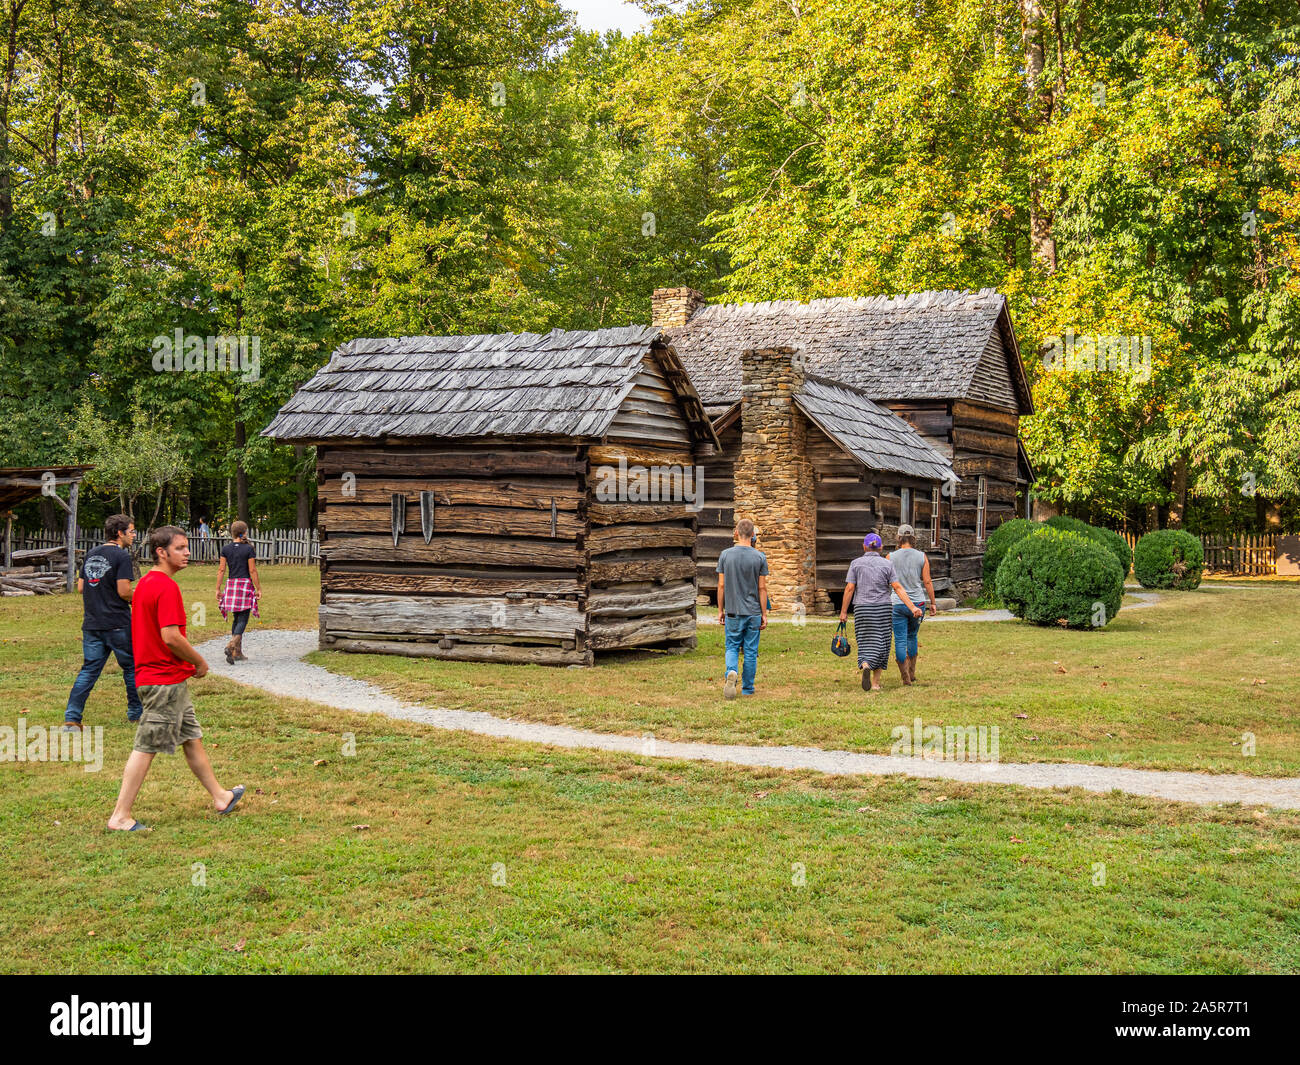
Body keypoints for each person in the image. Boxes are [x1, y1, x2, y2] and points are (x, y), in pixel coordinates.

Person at [107, 526, 244, 832]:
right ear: (161, 552)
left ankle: (220, 797)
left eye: (186, 547)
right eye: (180, 548)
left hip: (162, 677)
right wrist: (199, 660)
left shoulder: (144, 584)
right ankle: (120, 815)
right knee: (146, 745)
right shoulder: (166, 587)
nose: (187, 552)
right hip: (162, 681)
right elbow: (170, 637)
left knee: (191, 739)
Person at [64, 514, 143, 730]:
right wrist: (140, 599)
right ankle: (136, 713)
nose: (134, 535)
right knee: (131, 668)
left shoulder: (91, 554)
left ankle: (72, 718)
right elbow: (124, 590)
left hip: (92, 623)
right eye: (132, 531)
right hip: (117, 622)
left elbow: (81, 587)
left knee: (89, 670)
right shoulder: (121, 556)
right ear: (120, 533)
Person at [839, 532, 922, 693]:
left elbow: (850, 588)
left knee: (864, 639)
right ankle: (875, 683)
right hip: (882, 608)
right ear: (881, 547)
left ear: (864, 546)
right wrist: (912, 607)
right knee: (882, 642)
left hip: (862, 608)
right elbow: (897, 587)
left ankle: (865, 664)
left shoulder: (856, 564)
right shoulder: (887, 564)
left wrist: (843, 612)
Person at [716, 517, 768, 699]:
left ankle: (731, 671)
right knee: (751, 651)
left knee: (731, 646)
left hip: (733, 611)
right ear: (753, 535)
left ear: (736, 533)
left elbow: (721, 586)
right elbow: (762, 587)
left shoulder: (725, 555)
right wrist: (764, 613)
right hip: (753, 611)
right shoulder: (760, 557)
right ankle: (747, 688)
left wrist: (720, 610)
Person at [887, 524, 938, 686]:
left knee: (900, 638)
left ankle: (905, 677)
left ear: (898, 538)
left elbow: (887, 582)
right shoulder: (922, 556)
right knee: (912, 636)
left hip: (897, 603)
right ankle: (912, 673)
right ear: (913, 538)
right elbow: (928, 581)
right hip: (918, 602)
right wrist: (933, 603)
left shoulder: (890, 557)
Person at [216, 520, 260, 665]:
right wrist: (258, 588)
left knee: (236, 617)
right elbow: (252, 570)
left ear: (232, 533)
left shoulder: (226, 549)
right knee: (243, 618)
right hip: (244, 584)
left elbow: (222, 570)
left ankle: (237, 653)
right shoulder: (248, 549)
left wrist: (218, 589)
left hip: (231, 584)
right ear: (244, 532)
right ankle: (232, 645)